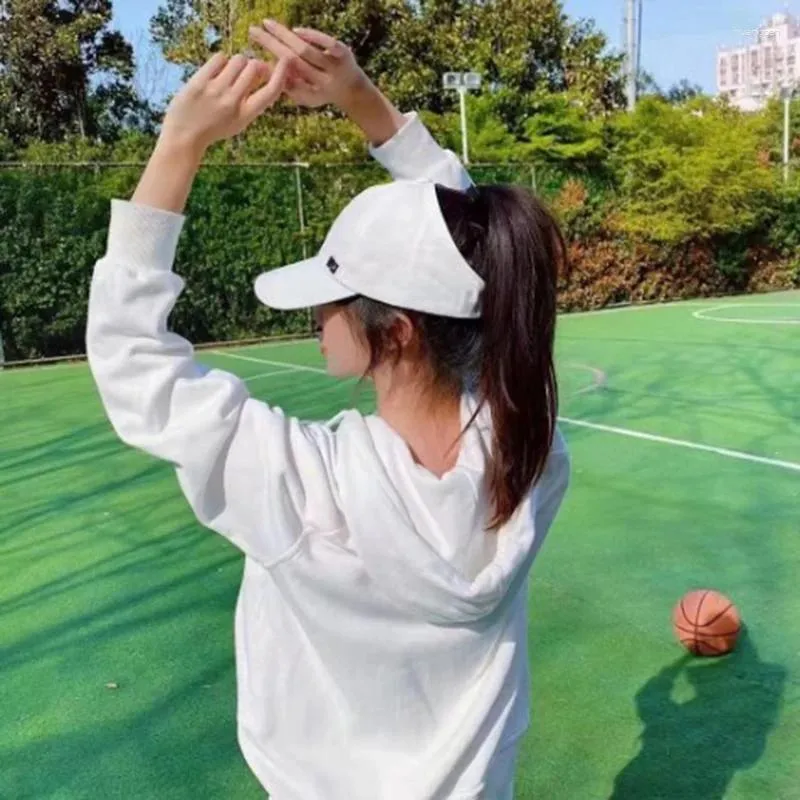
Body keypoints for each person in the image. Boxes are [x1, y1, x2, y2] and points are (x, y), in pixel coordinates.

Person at [85, 20, 570, 800]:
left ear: (399, 333)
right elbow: (472, 248)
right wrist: (360, 98)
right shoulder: (528, 454)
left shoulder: (303, 487)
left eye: (334, 299)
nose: (317, 318)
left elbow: (130, 357)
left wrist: (179, 144)